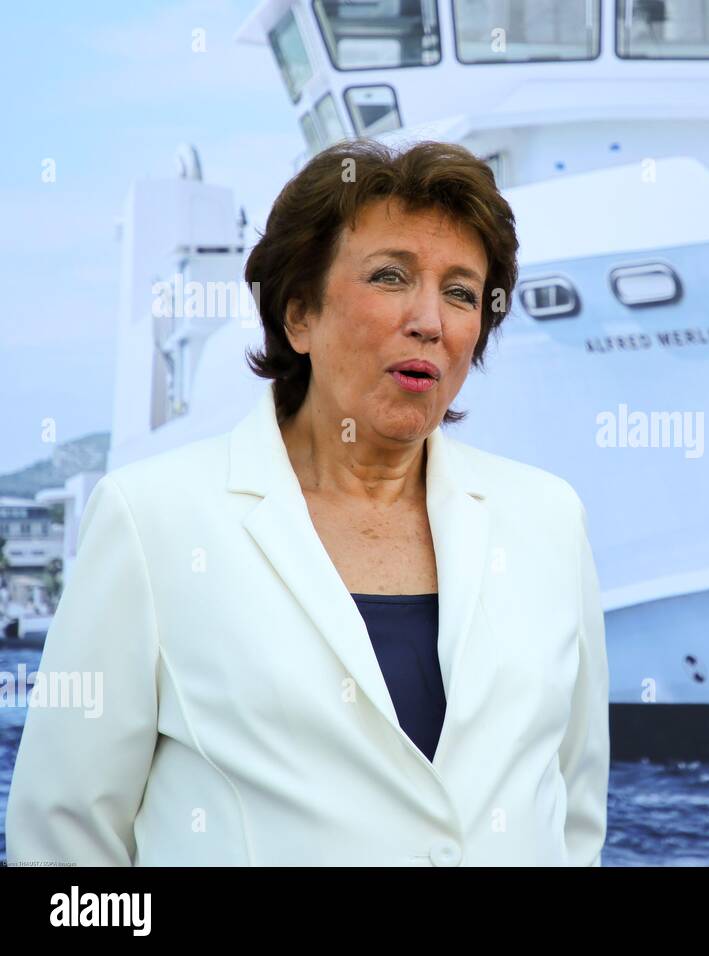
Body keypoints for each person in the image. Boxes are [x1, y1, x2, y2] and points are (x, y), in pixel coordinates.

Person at [5, 139, 610, 866]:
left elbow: (572, 817)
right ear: (299, 315)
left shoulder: (547, 521)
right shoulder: (154, 521)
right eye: (391, 277)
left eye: (460, 291)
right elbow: (64, 844)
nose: (430, 320)